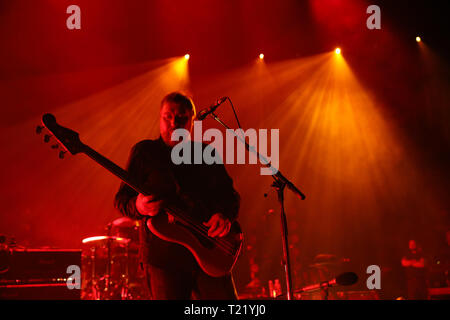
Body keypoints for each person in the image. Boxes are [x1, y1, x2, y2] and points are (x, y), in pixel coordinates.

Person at [114, 92, 240, 300]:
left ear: (192, 119)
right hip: (164, 258)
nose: (174, 122)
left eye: (181, 117)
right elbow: (121, 199)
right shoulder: (145, 152)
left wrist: (224, 215)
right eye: (168, 117)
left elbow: (231, 196)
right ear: (160, 117)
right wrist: (138, 206)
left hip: (208, 251)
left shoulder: (205, 153)